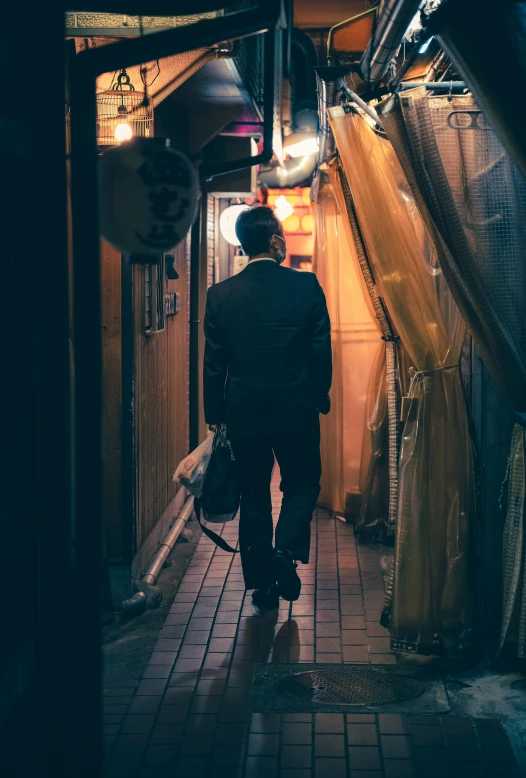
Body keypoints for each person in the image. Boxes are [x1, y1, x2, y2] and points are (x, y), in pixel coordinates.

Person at [203, 205, 332, 612]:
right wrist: (319, 395)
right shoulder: (306, 286)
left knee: (253, 494)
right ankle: (285, 552)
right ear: (275, 240)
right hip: (296, 408)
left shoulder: (220, 295)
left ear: (243, 245)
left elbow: (214, 363)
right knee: (303, 482)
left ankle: (263, 584)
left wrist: (215, 413)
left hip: (245, 414)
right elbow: (319, 351)